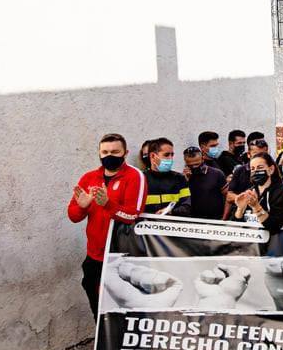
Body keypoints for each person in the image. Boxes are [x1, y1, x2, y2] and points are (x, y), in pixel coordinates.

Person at [68, 133, 147, 319]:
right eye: (105, 152)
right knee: (97, 304)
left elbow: (132, 215)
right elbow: (73, 216)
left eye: (115, 152)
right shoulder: (89, 178)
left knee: (122, 309)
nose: (109, 156)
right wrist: (82, 207)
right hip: (95, 255)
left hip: (122, 256)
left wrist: (108, 204)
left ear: (125, 153)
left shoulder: (135, 176)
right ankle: (101, 334)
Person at [230, 153, 283, 233]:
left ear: (271, 169)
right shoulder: (249, 192)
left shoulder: (281, 193)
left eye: (260, 167)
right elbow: (235, 226)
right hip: (250, 239)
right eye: (252, 169)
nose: (256, 171)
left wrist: (256, 207)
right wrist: (240, 209)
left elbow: (275, 226)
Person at [144, 138, 191, 216]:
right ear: (153, 156)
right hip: (146, 223)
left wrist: (170, 211)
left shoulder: (179, 178)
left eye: (172, 155)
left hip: (172, 222)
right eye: (166, 155)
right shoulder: (141, 179)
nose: (170, 158)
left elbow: (187, 206)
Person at [183, 147, 227, 220]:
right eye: (190, 165)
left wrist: (224, 218)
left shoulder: (217, 174)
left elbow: (227, 197)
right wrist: (185, 181)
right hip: (193, 219)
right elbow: (182, 200)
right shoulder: (184, 177)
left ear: (202, 159)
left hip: (215, 218)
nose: (194, 167)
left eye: (197, 164)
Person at [228, 138, 270, 206]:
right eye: (256, 155)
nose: (259, 158)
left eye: (263, 155)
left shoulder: (271, 170)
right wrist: (243, 198)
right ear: (248, 154)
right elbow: (229, 196)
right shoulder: (240, 171)